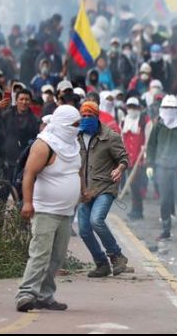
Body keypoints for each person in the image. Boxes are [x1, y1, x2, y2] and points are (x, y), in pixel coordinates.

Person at [15, 105, 82, 312]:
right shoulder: (44, 145)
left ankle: (45, 295)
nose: (77, 128)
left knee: (57, 256)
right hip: (45, 210)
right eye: (74, 124)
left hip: (66, 211)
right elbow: (29, 173)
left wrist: (83, 191)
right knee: (40, 253)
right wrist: (27, 202)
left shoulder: (73, 144)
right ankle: (26, 294)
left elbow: (76, 171)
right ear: (62, 124)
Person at [76, 101, 130, 278]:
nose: (86, 119)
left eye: (89, 116)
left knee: (96, 220)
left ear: (97, 116)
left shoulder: (110, 136)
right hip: (85, 190)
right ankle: (101, 264)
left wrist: (119, 169)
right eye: (83, 116)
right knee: (83, 229)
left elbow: (124, 158)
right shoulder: (76, 137)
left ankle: (117, 256)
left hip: (105, 187)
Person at [147, 95, 177, 242]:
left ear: (176, 109)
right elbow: (151, 146)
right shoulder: (158, 126)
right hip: (162, 168)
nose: (169, 111)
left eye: (172, 108)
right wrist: (150, 164)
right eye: (166, 108)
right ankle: (166, 230)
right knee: (164, 202)